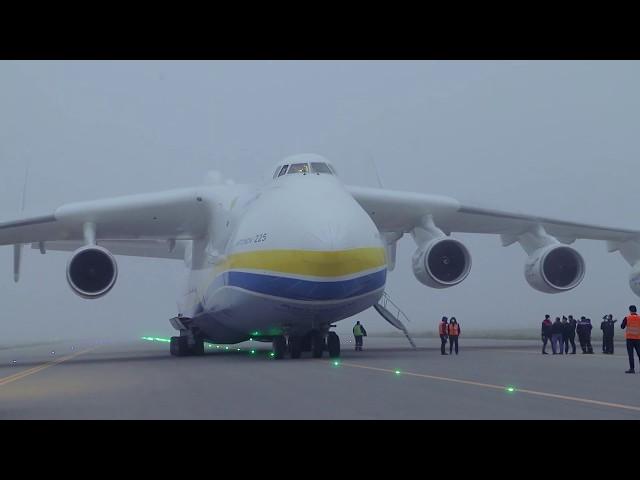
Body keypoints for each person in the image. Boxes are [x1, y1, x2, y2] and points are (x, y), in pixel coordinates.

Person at [621, 305, 640, 373]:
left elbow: (622, 326)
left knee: (631, 354)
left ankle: (632, 369)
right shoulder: (639, 318)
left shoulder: (627, 318)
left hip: (629, 339)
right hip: (638, 338)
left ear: (630, 310)